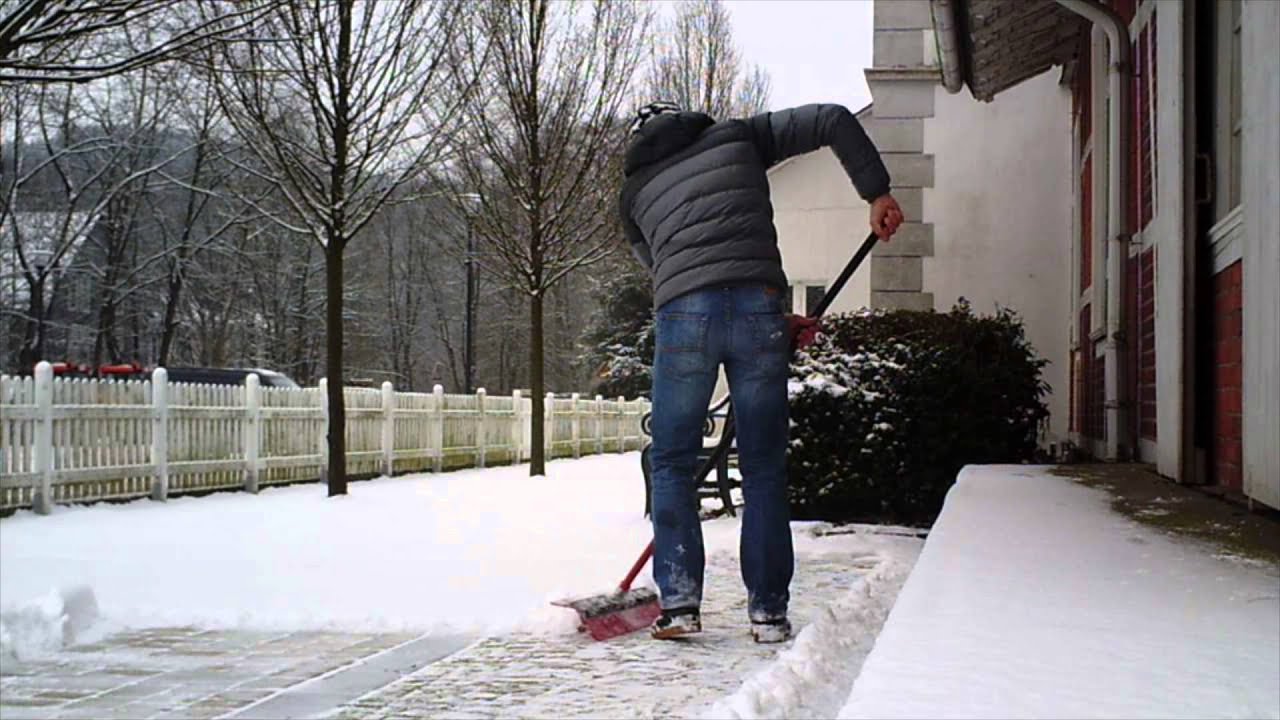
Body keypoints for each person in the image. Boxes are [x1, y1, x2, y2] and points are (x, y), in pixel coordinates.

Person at [619, 101, 903, 643]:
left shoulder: (633, 196)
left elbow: (667, 267)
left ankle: (679, 604)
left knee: (673, 461)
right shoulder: (737, 137)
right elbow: (834, 119)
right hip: (757, 305)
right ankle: (768, 613)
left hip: (683, 316)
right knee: (764, 464)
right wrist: (877, 193)